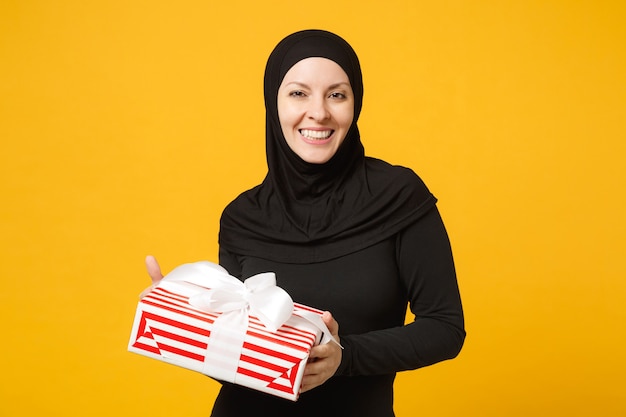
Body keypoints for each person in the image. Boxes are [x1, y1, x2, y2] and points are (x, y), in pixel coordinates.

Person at [146, 29, 465, 417]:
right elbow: (238, 361)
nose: (319, 112)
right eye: (298, 93)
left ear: (355, 103)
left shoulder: (398, 196)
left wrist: (343, 356)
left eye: (337, 94)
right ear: (272, 103)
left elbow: (445, 328)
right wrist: (180, 319)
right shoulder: (242, 217)